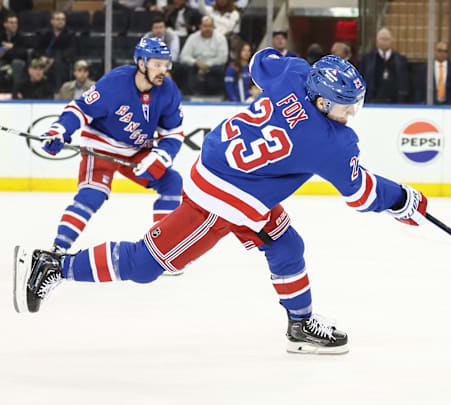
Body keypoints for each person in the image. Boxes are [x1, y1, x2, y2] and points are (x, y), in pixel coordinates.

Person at [13, 50, 429, 356]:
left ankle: (300, 325)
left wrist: (285, 64)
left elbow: (261, 63)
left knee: (287, 245)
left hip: (232, 178)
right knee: (145, 265)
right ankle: (55, 265)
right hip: (220, 201)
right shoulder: (330, 142)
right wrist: (405, 199)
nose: (350, 114)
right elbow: (363, 195)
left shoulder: (295, 74)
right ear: (320, 100)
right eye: (344, 106)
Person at [34, 38, 184, 255]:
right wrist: (60, 130)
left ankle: (164, 250)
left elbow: (173, 133)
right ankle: (57, 249)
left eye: (166, 64)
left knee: (172, 181)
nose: (163, 70)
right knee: (92, 195)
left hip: (136, 150)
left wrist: (160, 157)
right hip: (101, 145)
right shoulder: (116, 82)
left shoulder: (168, 90)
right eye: (157, 64)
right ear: (141, 63)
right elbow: (81, 109)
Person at [178, 16, 228, 95]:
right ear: (200, 27)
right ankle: (188, 96)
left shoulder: (221, 38)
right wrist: (196, 63)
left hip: (213, 67)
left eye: (210, 26)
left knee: (221, 68)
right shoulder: (192, 37)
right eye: (205, 26)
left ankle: (217, 95)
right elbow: (183, 56)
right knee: (183, 67)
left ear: (213, 27)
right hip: (195, 66)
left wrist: (207, 65)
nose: (207, 29)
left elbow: (223, 58)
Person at [358, 27, 410, 103]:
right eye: (382, 39)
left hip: (395, 101)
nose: (384, 41)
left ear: (391, 41)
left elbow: (405, 81)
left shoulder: (401, 59)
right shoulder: (367, 59)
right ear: (377, 41)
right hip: (372, 100)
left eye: (387, 39)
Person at [34, 11, 78, 92]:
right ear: (52, 21)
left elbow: (72, 51)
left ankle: (58, 92)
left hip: (62, 62)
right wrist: (43, 57)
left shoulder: (70, 34)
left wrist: (54, 59)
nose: (61, 21)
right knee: (34, 65)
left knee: (57, 64)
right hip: (44, 62)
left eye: (63, 19)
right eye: (58, 19)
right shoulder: (45, 34)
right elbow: (37, 50)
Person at [413, 41, 451, 105]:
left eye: (445, 51)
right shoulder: (425, 68)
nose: (442, 53)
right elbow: (419, 88)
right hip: (430, 104)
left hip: (450, 105)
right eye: (440, 50)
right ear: (434, 51)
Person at [1, 14, 28, 93]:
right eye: (11, 23)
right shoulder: (1, 35)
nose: (14, 25)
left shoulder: (21, 36)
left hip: (17, 62)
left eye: (16, 23)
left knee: (17, 63)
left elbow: (23, 53)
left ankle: (16, 92)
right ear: (5, 24)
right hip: (3, 61)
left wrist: (10, 48)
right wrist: (4, 49)